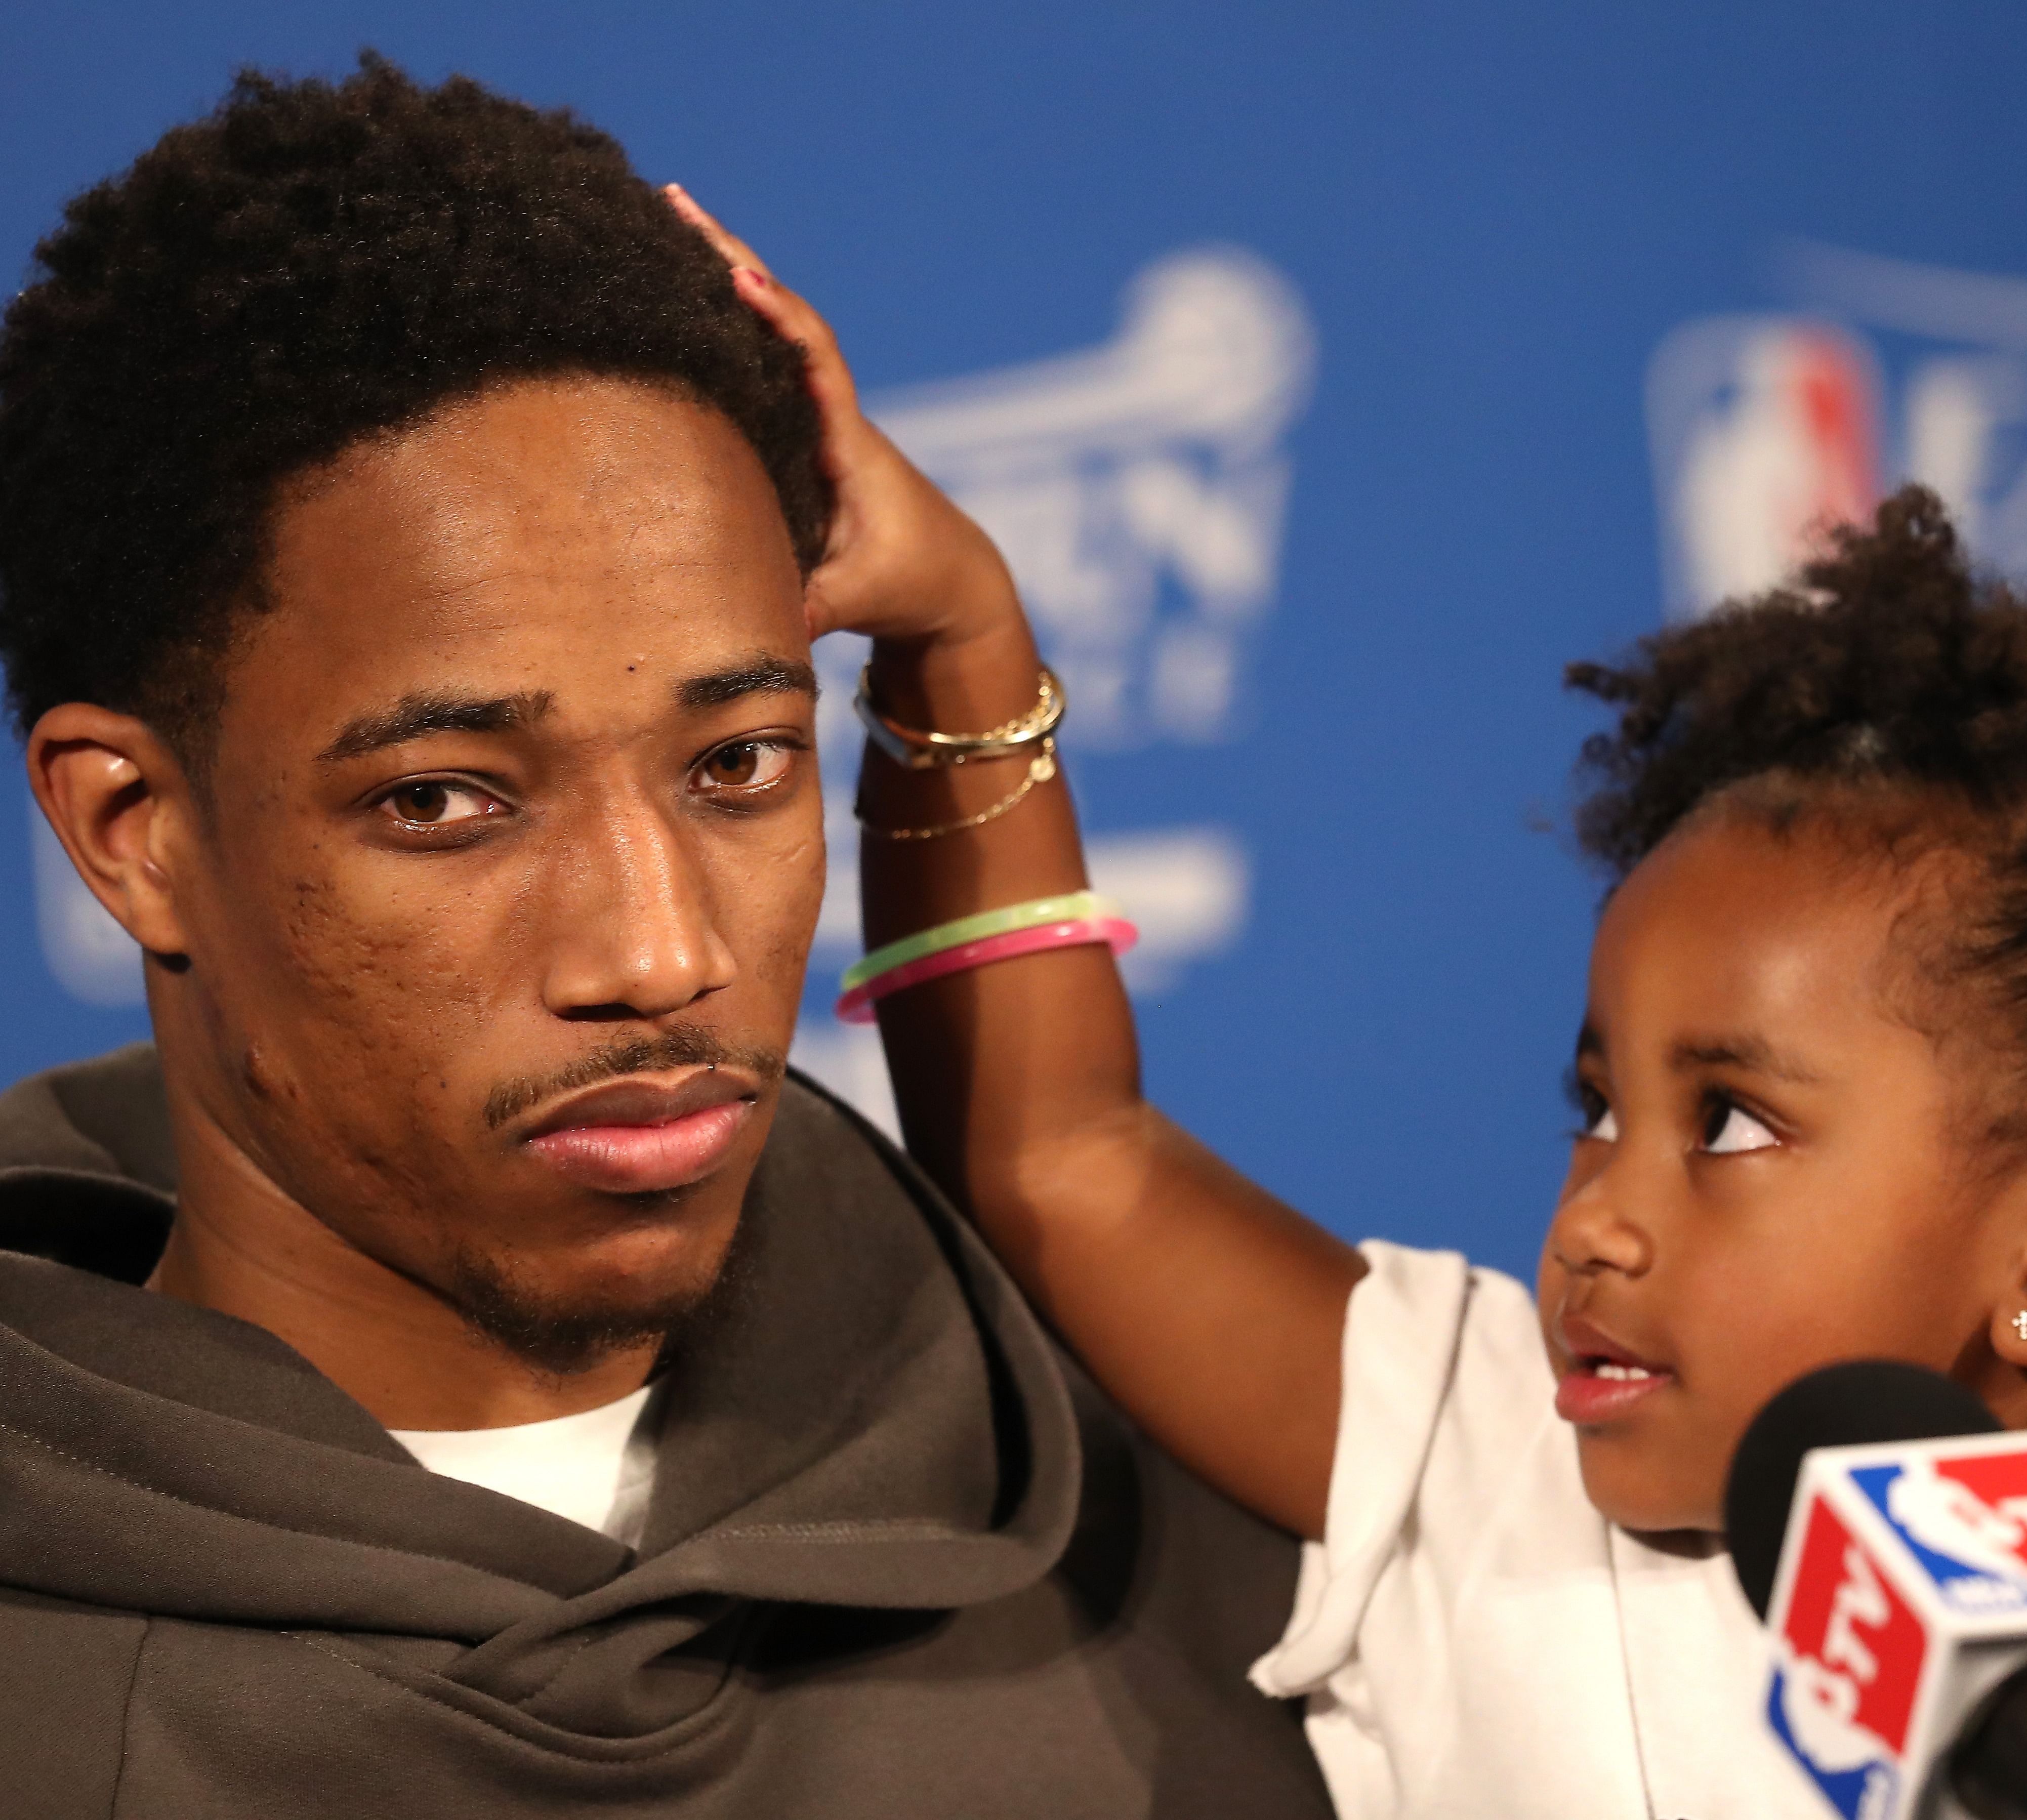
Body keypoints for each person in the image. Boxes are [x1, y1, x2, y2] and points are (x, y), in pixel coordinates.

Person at [730, 179, 2027, 1815]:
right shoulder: (1472, 1458)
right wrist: (962, 640)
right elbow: (1062, 1155)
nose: (1597, 1217)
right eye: (1596, 1109)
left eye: (1731, 1123)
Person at [0, 57, 1336, 1818]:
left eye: (736, 764)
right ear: (134, 832)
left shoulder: (1188, 1499)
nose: (658, 950)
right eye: (446, 800)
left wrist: (966, 642)